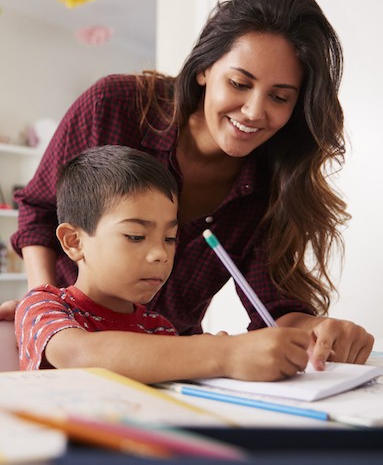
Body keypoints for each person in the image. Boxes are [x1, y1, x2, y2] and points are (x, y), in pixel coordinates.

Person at [5, 0, 373, 371]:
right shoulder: (114, 105)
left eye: (279, 97)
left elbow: (274, 308)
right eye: (239, 83)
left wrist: (318, 331)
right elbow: (40, 211)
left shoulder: (272, 184)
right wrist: (44, 303)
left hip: (173, 367)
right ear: (203, 68)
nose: (252, 111)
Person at [15, 144, 311, 383]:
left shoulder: (157, 328)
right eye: (135, 236)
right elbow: (81, 355)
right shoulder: (44, 306)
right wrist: (223, 353)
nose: (160, 254)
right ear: (73, 241)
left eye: (170, 238)